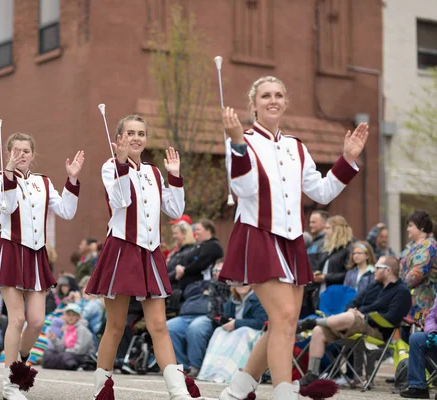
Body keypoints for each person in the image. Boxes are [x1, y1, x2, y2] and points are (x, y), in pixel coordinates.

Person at [217, 76, 368, 399]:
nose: (273, 100)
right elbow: (243, 190)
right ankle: (284, 393)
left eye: (279, 95)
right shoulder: (239, 140)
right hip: (257, 234)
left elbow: (322, 192)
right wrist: (237, 144)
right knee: (285, 318)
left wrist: (348, 159)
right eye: (265, 96)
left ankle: (237, 391)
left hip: (291, 241)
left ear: (286, 102)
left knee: (281, 323)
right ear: (253, 104)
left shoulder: (296, 147)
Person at [85, 115, 203, 399]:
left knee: (159, 325)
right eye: (130, 133)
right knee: (115, 325)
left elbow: (175, 211)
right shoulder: (109, 167)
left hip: (150, 253)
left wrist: (174, 175)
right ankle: (101, 389)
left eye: (141, 133)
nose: (136, 138)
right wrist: (122, 165)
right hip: (122, 249)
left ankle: (178, 391)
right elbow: (120, 201)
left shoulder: (153, 171)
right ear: (119, 138)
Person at [0, 132, 84, 400]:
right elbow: (5, 207)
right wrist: (8, 174)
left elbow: (67, 211)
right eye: (16, 150)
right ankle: (10, 383)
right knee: (16, 318)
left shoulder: (44, 183)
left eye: (26, 150)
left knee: (38, 321)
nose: (21, 154)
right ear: (8, 153)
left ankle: (21, 361)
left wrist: (72, 179)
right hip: (9, 251)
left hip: (36, 254)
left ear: (33, 154)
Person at [297, 255, 411, 387]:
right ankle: (312, 374)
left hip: (376, 332)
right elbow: (352, 303)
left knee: (351, 317)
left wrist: (365, 317)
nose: (374, 270)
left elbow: (392, 318)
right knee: (319, 331)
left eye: (378, 268)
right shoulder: (374, 286)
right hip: (353, 327)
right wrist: (353, 311)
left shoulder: (402, 291)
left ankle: (312, 322)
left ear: (388, 271)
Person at [399, 210, 437, 325]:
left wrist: (398, 287)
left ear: (421, 227)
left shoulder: (428, 245)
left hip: (423, 304)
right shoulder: (412, 246)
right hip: (409, 301)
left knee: (418, 330)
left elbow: (417, 273)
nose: (407, 229)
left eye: (411, 226)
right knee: (405, 334)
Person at [400, 297, 437, 398]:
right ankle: (418, 386)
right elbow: (432, 316)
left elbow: (411, 280)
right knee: (415, 338)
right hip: (420, 308)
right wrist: (432, 331)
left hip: (425, 301)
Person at [174, 219, 224, 291]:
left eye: (198, 229)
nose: (195, 232)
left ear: (208, 230)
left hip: (203, 287)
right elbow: (184, 260)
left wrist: (184, 270)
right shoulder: (198, 246)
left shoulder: (213, 246)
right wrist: (178, 266)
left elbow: (200, 263)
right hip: (189, 286)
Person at [42, 303, 95, 370]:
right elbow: (62, 348)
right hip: (68, 354)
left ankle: (72, 365)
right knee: (48, 353)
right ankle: (67, 364)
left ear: (78, 317)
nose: (70, 317)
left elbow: (80, 350)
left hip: (83, 357)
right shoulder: (67, 329)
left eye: (73, 315)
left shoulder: (82, 329)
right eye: (68, 315)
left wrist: (65, 351)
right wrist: (54, 339)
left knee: (65, 356)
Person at [166, 221, 197, 288]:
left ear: (185, 234)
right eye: (173, 234)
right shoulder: (178, 251)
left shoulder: (190, 250)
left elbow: (179, 271)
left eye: (176, 233)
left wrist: (164, 280)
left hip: (179, 289)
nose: (173, 236)